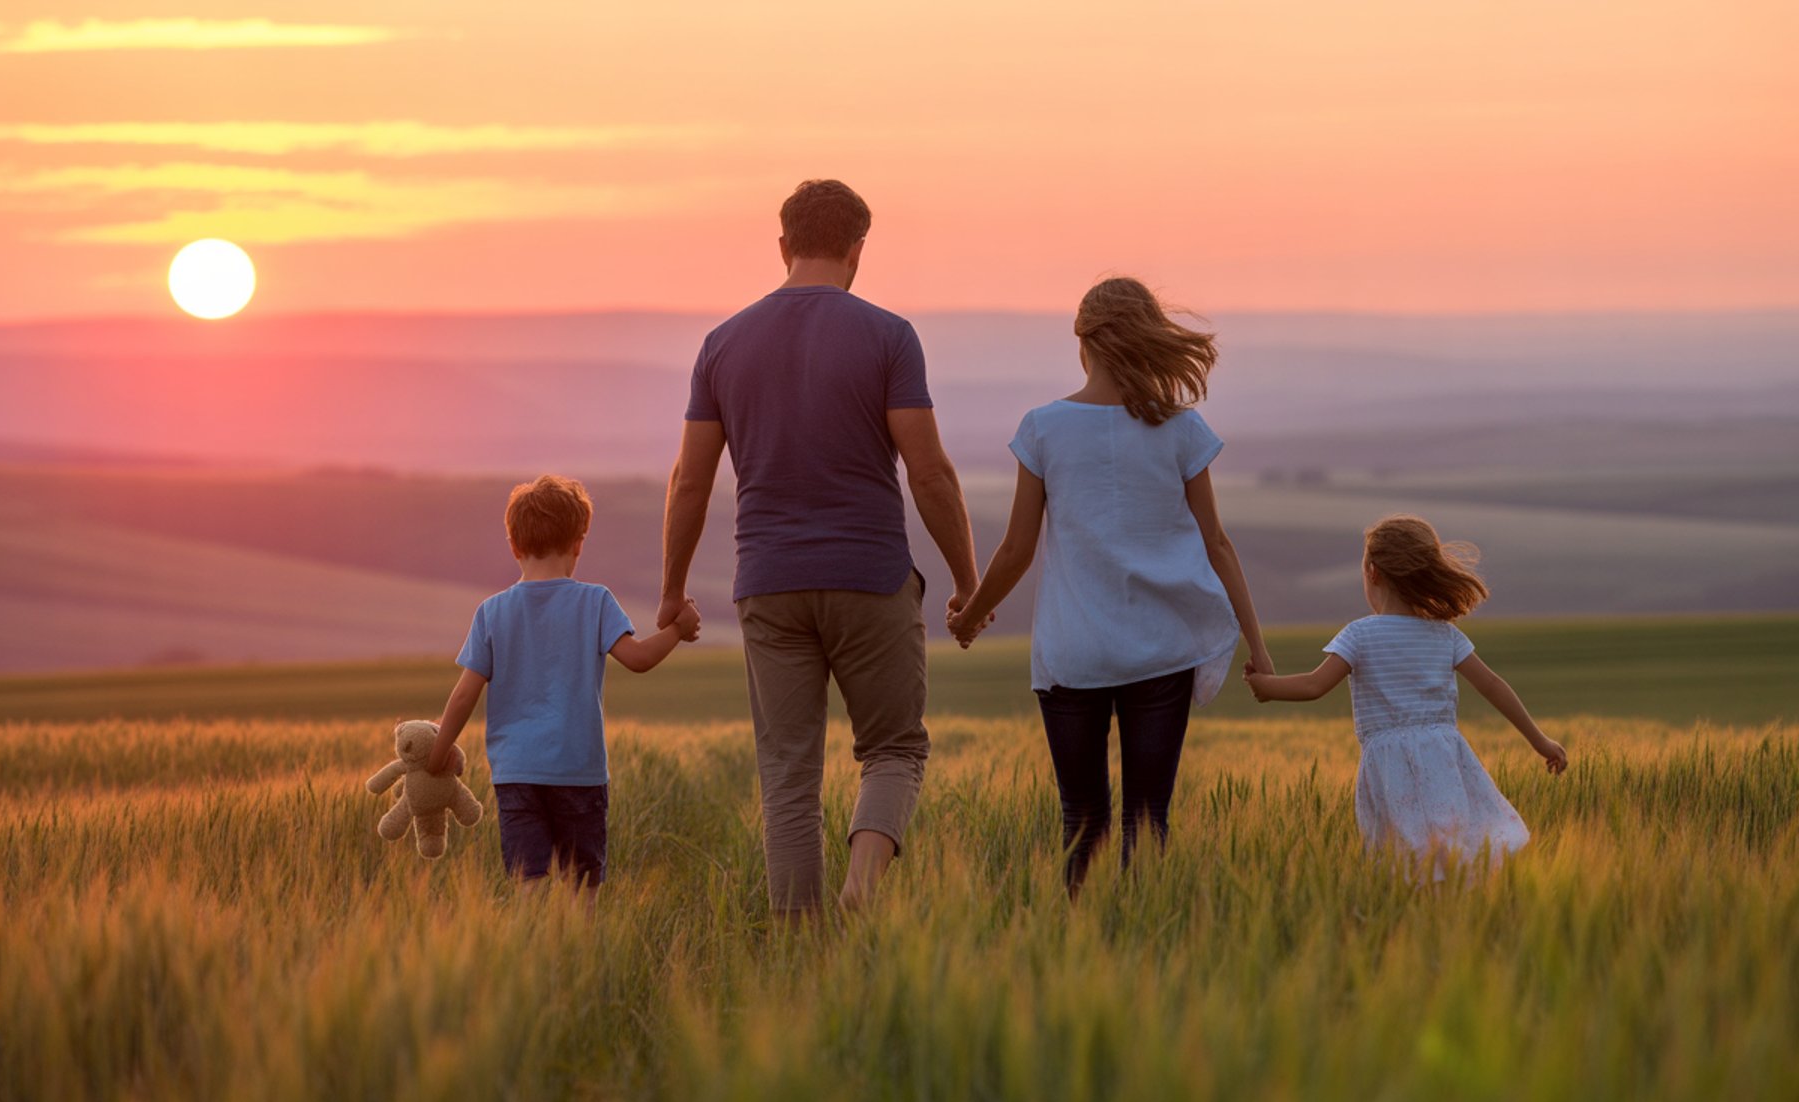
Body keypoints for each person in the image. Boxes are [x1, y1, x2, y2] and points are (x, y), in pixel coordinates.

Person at [658, 178, 982, 918]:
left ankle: (799, 950)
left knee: (787, 776)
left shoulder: (721, 344)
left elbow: (689, 485)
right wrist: (968, 582)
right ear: (857, 251)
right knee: (895, 748)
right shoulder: (890, 336)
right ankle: (861, 888)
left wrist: (674, 592)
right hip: (870, 576)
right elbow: (929, 472)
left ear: (783, 246)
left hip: (767, 583)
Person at [949, 277, 1274, 896]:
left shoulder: (1042, 428)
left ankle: (1086, 950)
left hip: (1074, 653)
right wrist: (1257, 648)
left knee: (1083, 823)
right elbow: (1218, 544)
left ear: (1084, 342)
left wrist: (970, 618)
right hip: (1161, 651)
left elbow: (1016, 550)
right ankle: (1145, 946)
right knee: (1148, 823)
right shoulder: (1181, 428)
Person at [427, 474, 701, 898]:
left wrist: (437, 756)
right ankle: (580, 959)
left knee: (528, 889)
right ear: (578, 543)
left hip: (517, 774)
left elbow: (465, 693)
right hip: (579, 771)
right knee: (581, 890)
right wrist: (678, 630)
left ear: (514, 546)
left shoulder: (492, 612)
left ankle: (534, 961)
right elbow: (640, 659)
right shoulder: (595, 601)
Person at [1244, 514, 1566, 865]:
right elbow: (1492, 685)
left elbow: (1314, 685)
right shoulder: (1444, 634)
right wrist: (1540, 741)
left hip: (1389, 768)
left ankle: (1421, 912)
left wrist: (1267, 687)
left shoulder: (1359, 634)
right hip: (1443, 757)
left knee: (1403, 858)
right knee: (1456, 848)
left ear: (1373, 573)